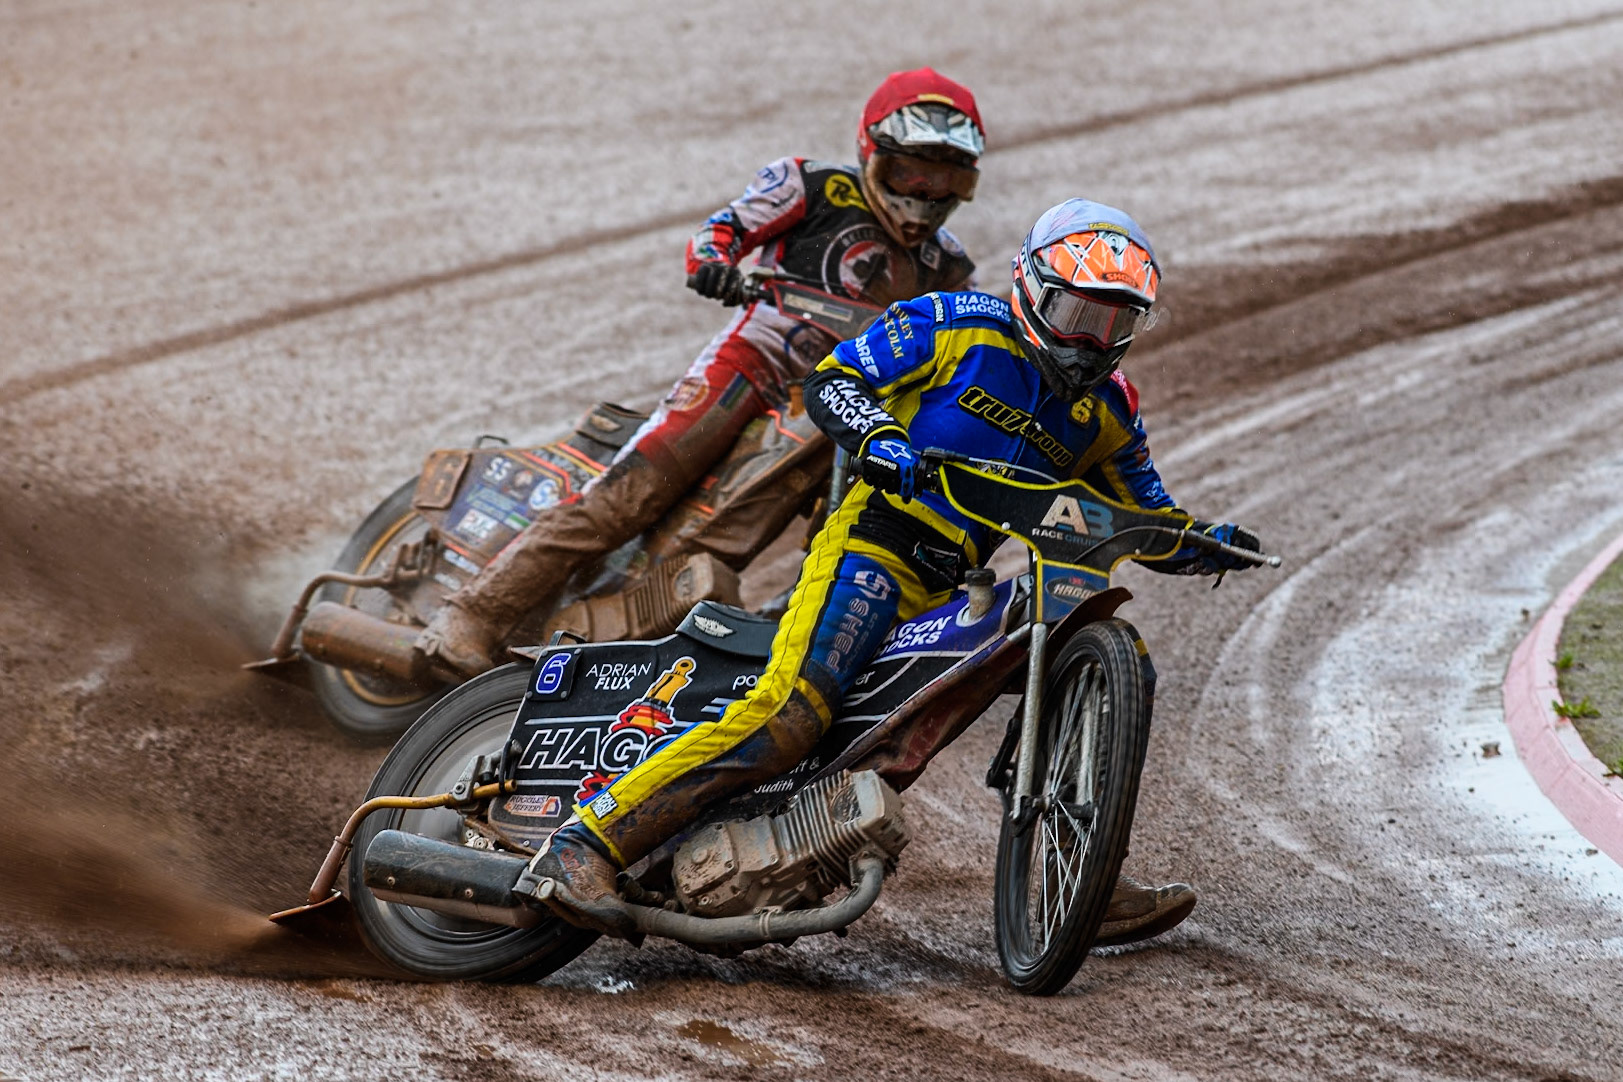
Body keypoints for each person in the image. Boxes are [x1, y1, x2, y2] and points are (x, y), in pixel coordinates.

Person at [526, 198, 1263, 946]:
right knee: (792, 715)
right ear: (1032, 287)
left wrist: (1203, 542)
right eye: (1076, 312)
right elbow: (834, 380)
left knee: (1075, 660)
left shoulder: (1111, 407)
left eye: (1113, 324)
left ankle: (1083, 868)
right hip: (872, 545)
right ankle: (580, 846)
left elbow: (1147, 515)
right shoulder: (952, 321)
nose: (1089, 342)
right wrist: (879, 434)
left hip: (952, 589)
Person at [415, 68, 987, 677]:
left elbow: (971, 351)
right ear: (872, 152)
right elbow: (723, 229)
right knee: (630, 496)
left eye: (946, 178)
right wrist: (713, 262)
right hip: (752, 364)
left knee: (800, 531)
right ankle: (470, 613)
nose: (925, 193)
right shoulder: (814, 184)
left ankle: (770, 644)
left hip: (832, 411)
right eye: (911, 172)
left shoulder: (948, 265)